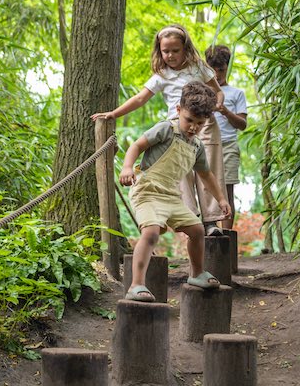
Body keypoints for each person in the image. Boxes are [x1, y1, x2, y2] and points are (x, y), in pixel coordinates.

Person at [91, 24, 228, 237]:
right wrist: (114, 114)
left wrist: (217, 105)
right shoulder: (161, 75)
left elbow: (217, 92)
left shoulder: (198, 67)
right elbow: (140, 98)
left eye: (176, 50)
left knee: (207, 169)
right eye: (166, 51)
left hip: (205, 124)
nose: (171, 55)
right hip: (177, 126)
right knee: (181, 172)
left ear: (185, 49)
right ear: (159, 51)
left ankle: (211, 221)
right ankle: (192, 219)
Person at [118, 81, 231, 302]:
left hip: (171, 195)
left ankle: (197, 273)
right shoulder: (165, 129)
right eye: (189, 120)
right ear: (178, 110)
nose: (193, 127)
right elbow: (137, 146)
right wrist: (127, 167)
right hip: (147, 191)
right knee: (150, 233)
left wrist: (221, 199)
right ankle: (136, 284)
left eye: (199, 123)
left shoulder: (196, 146)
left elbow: (206, 175)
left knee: (198, 230)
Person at [205, 45, 248, 230]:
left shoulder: (237, 93)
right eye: (212, 70)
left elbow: (242, 125)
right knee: (206, 190)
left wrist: (225, 111)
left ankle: (227, 236)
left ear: (227, 67)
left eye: (221, 69)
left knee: (227, 190)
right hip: (205, 146)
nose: (217, 74)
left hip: (228, 145)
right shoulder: (203, 92)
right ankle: (210, 231)